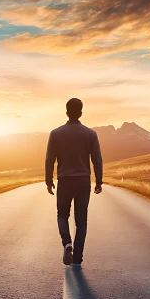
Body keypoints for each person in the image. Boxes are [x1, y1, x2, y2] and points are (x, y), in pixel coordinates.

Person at [45, 98, 103, 268]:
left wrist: (49, 181)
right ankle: (77, 258)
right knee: (81, 221)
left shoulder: (55, 133)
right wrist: (99, 181)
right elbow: (97, 160)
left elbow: (50, 160)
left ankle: (66, 242)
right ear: (81, 113)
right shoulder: (90, 134)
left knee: (62, 215)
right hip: (83, 181)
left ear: (67, 113)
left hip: (64, 180)